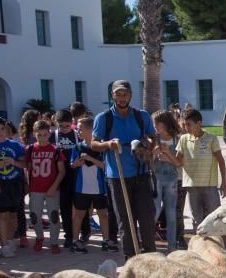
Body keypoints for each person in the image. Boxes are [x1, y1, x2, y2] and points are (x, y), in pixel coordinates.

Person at [91, 80, 158, 257]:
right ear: (112, 95)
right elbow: (94, 143)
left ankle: (150, 256)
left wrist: (148, 144)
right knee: (125, 220)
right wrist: (108, 143)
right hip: (118, 176)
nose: (122, 98)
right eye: (118, 94)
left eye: (125, 94)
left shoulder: (141, 116)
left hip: (141, 173)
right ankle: (131, 258)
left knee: (147, 218)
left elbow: (152, 137)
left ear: (130, 95)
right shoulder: (103, 118)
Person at [175, 108, 226, 231]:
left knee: (214, 217)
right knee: (197, 219)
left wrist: (223, 182)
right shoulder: (183, 139)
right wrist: (166, 154)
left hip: (209, 186)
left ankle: (220, 243)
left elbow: (221, 161)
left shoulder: (211, 138)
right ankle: (200, 245)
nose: (186, 127)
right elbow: (177, 161)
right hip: (191, 186)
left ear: (199, 123)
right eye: (184, 124)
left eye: (189, 124)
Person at [68, 117, 113, 253]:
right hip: (82, 188)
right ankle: (75, 241)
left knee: (103, 214)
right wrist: (76, 163)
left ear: (90, 130)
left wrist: (90, 158)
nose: (78, 131)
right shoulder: (77, 147)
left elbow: (105, 166)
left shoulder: (101, 147)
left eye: (80, 129)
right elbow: (72, 164)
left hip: (99, 188)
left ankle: (106, 241)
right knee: (78, 215)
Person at [0, 116, 26, 257]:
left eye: (2, 129)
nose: (0, 132)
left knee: (13, 215)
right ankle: (4, 245)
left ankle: (10, 238)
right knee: (2, 215)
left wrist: (13, 162)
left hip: (14, 183)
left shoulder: (15, 145)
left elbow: (25, 164)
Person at [25, 120, 66, 253]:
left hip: (52, 189)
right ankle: (39, 237)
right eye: (39, 135)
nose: (42, 138)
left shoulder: (55, 150)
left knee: (53, 215)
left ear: (49, 134)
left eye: (45, 134)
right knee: (35, 215)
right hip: (35, 189)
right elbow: (28, 168)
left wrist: (54, 186)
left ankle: (54, 241)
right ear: (34, 134)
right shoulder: (30, 149)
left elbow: (62, 171)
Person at [151, 110, 181, 251]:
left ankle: (172, 246)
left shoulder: (177, 139)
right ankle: (149, 243)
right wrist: (153, 154)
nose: (155, 126)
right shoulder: (152, 140)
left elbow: (178, 164)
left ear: (166, 124)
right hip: (156, 179)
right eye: (154, 124)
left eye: (158, 124)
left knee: (171, 213)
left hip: (171, 180)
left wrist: (168, 154)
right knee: (154, 211)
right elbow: (148, 164)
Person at [53, 109, 82, 248]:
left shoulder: (77, 135)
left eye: (67, 126)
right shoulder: (53, 136)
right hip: (61, 176)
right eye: (61, 126)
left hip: (77, 175)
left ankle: (84, 231)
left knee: (80, 206)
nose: (64, 129)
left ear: (72, 123)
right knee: (65, 208)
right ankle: (68, 235)